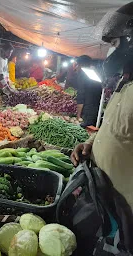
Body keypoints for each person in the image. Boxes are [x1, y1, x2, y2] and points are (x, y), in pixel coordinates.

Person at [71, 2, 133, 240]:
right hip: (108, 204)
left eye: (116, 43)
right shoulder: (124, 83)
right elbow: (116, 127)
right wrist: (92, 143)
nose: (111, 52)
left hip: (127, 215)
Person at [75, 55, 102, 127]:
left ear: (80, 65)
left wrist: (78, 116)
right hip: (96, 109)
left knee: (84, 128)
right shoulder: (94, 74)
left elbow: (81, 96)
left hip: (87, 110)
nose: (76, 67)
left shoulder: (82, 75)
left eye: (77, 64)